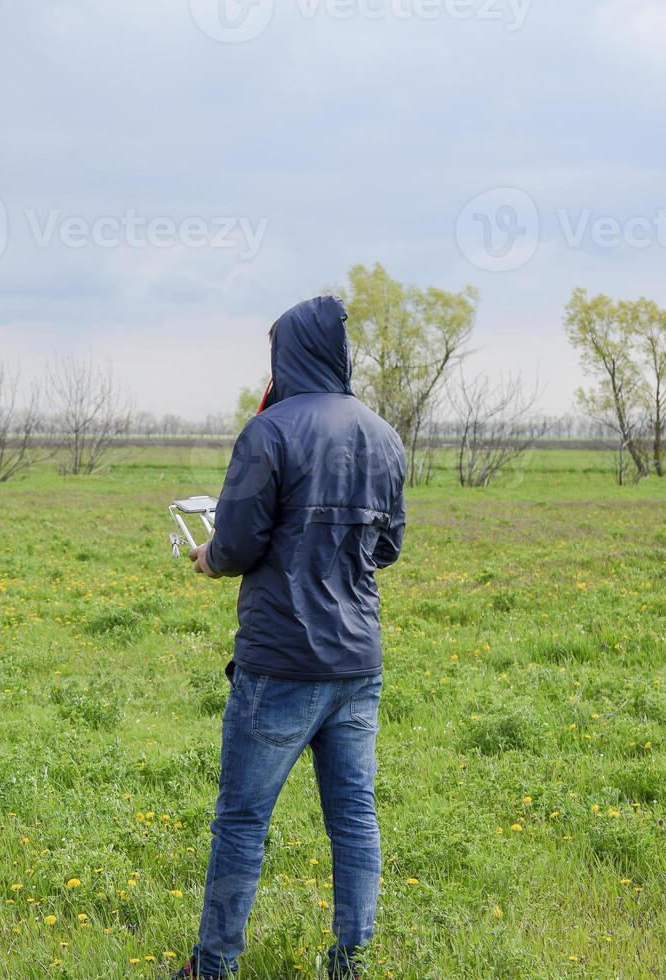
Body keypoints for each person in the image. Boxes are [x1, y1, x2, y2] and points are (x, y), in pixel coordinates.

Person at [175, 296, 407, 980]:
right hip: (358, 662)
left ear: (287, 355)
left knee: (242, 823)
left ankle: (213, 967)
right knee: (355, 820)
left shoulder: (269, 433)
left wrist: (209, 557)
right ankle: (350, 962)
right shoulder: (385, 437)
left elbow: (240, 543)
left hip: (280, 663)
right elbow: (387, 548)